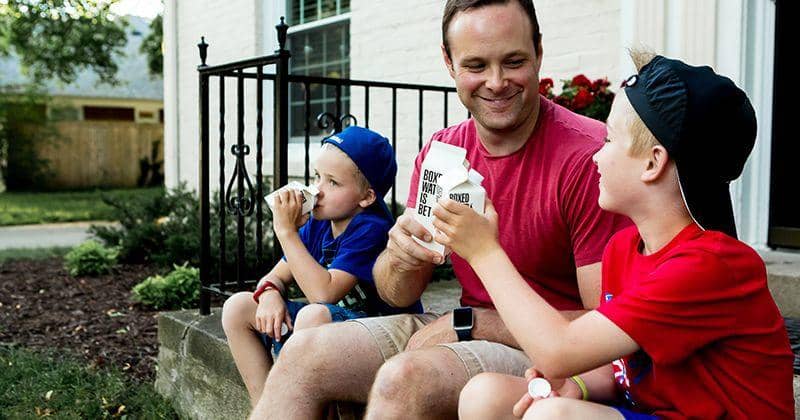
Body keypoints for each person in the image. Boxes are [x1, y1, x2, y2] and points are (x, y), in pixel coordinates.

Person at [250, 0, 630, 418]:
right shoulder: (443, 151)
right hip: (458, 325)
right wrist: (400, 257)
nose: (496, 82)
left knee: (405, 378)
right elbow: (399, 293)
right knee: (303, 351)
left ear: (539, 52)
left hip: (546, 352)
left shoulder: (591, 158)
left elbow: (608, 326)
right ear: (449, 63)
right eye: (476, 65)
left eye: (513, 61)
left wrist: (470, 322)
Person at [449, 52, 795, 419]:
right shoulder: (624, 249)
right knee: (485, 394)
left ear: (653, 162)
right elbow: (624, 370)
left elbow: (557, 351)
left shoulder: (711, 266)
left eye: (609, 139)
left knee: (552, 417)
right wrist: (577, 384)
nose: (596, 156)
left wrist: (484, 252)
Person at [221, 126, 421, 407]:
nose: (317, 190)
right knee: (238, 307)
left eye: (332, 182)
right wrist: (269, 293)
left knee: (313, 315)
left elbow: (323, 294)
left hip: (375, 337)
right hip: (332, 328)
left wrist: (286, 232)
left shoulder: (372, 228)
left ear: (367, 197)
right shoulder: (319, 223)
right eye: (317, 176)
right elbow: (276, 276)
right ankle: (268, 407)